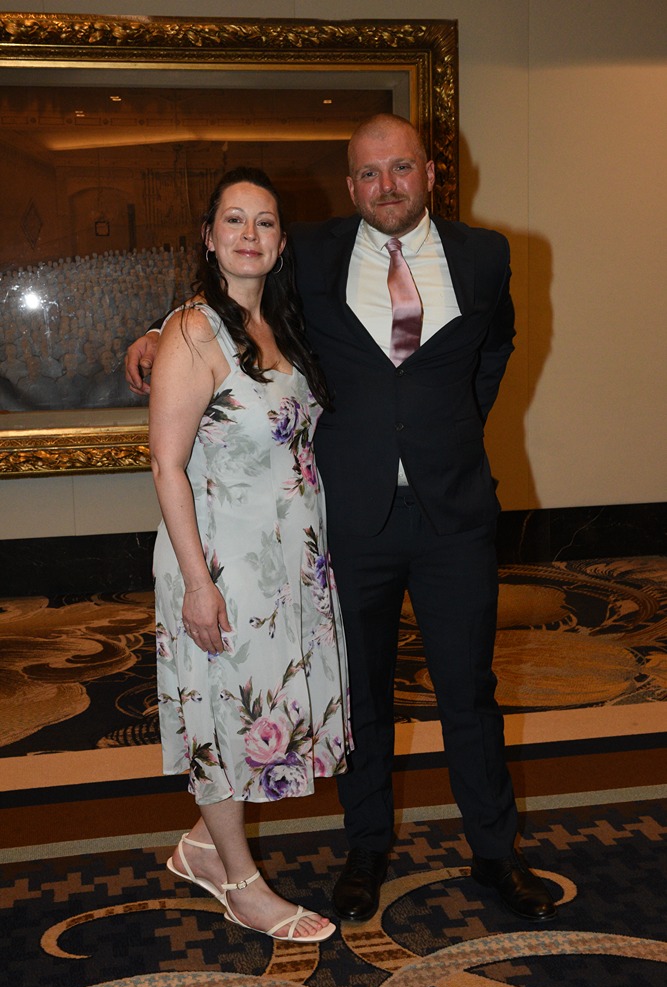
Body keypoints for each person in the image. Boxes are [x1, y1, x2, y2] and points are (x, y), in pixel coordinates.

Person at [126, 115, 556, 925]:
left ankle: (496, 853)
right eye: (367, 173)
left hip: (453, 513)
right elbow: (227, 290)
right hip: (348, 519)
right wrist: (154, 332)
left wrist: (445, 429)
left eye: (400, 169)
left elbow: (493, 352)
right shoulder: (314, 253)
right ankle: (365, 849)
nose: (385, 185)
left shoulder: (484, 256)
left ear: (430, 173)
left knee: (469, 691)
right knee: (360, 696)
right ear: (350, 184)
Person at [148, 166, 352, 942]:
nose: (248, 234)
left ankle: (205, 844)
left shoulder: (281, 325)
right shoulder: (192, 331)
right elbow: (166, 464)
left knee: (256, 709)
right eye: (232, 220)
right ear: (207, 237)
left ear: (281, 241)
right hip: (221, 563)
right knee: (224, 715)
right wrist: (197, 582)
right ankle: (238, 882)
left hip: (286, 562)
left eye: (263, 222)